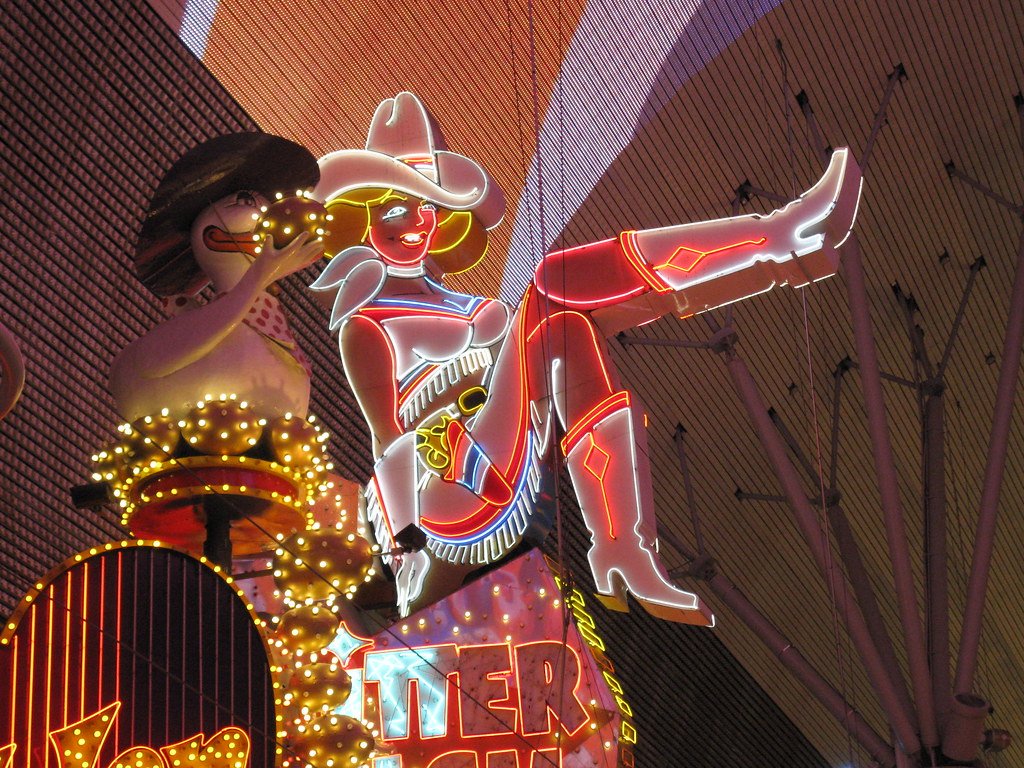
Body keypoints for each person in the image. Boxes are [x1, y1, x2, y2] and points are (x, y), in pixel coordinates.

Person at [311, 93, 861, 621]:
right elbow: (389, 439)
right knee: (553, 284)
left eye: (426, 206)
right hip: (443, 494)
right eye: (394, 210)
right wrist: (405, 546)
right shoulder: (365, 324)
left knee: (569, 322)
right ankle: (776, 235)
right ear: (361, 219)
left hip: (503, 462)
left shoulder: (467, 304)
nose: (414, 223)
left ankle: (622, 549)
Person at [110, 133, 324, 423]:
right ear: (209, 234)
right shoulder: (199, 326)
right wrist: (261, 273)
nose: (267, 214)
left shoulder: (267, 327)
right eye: (247, 202)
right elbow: (150, 363)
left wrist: (264, 273)